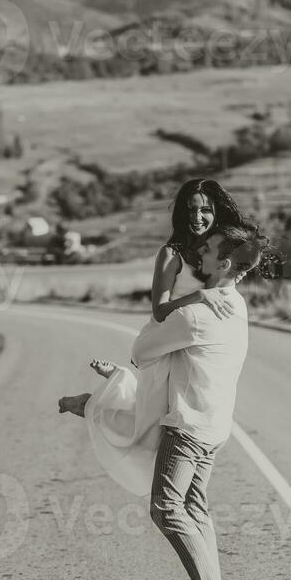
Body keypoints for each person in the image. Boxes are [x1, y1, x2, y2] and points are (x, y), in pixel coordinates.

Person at [59, 222, 275, 580]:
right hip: (213, 423)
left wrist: (184, 298)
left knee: (166, 507)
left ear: (224, 263)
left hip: (189, 427)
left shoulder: (196, 314)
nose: (199, 251)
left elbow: (141, 351)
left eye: (207, 249)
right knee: (194, 508)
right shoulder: (236, 304)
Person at [58, 179, 254, 498]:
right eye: (191, 209)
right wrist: (200, 297)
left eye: (206, 209)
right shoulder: (171, 253)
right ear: (181, 213)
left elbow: (235, 271)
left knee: (164, 425)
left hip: (196, 352)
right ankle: (91, 404)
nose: (198, 216)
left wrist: (237, 273)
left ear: (217, 212)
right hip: (169, 341)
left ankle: (113, 386)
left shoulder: (219, 250)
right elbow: (160, 310)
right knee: (145, 432)